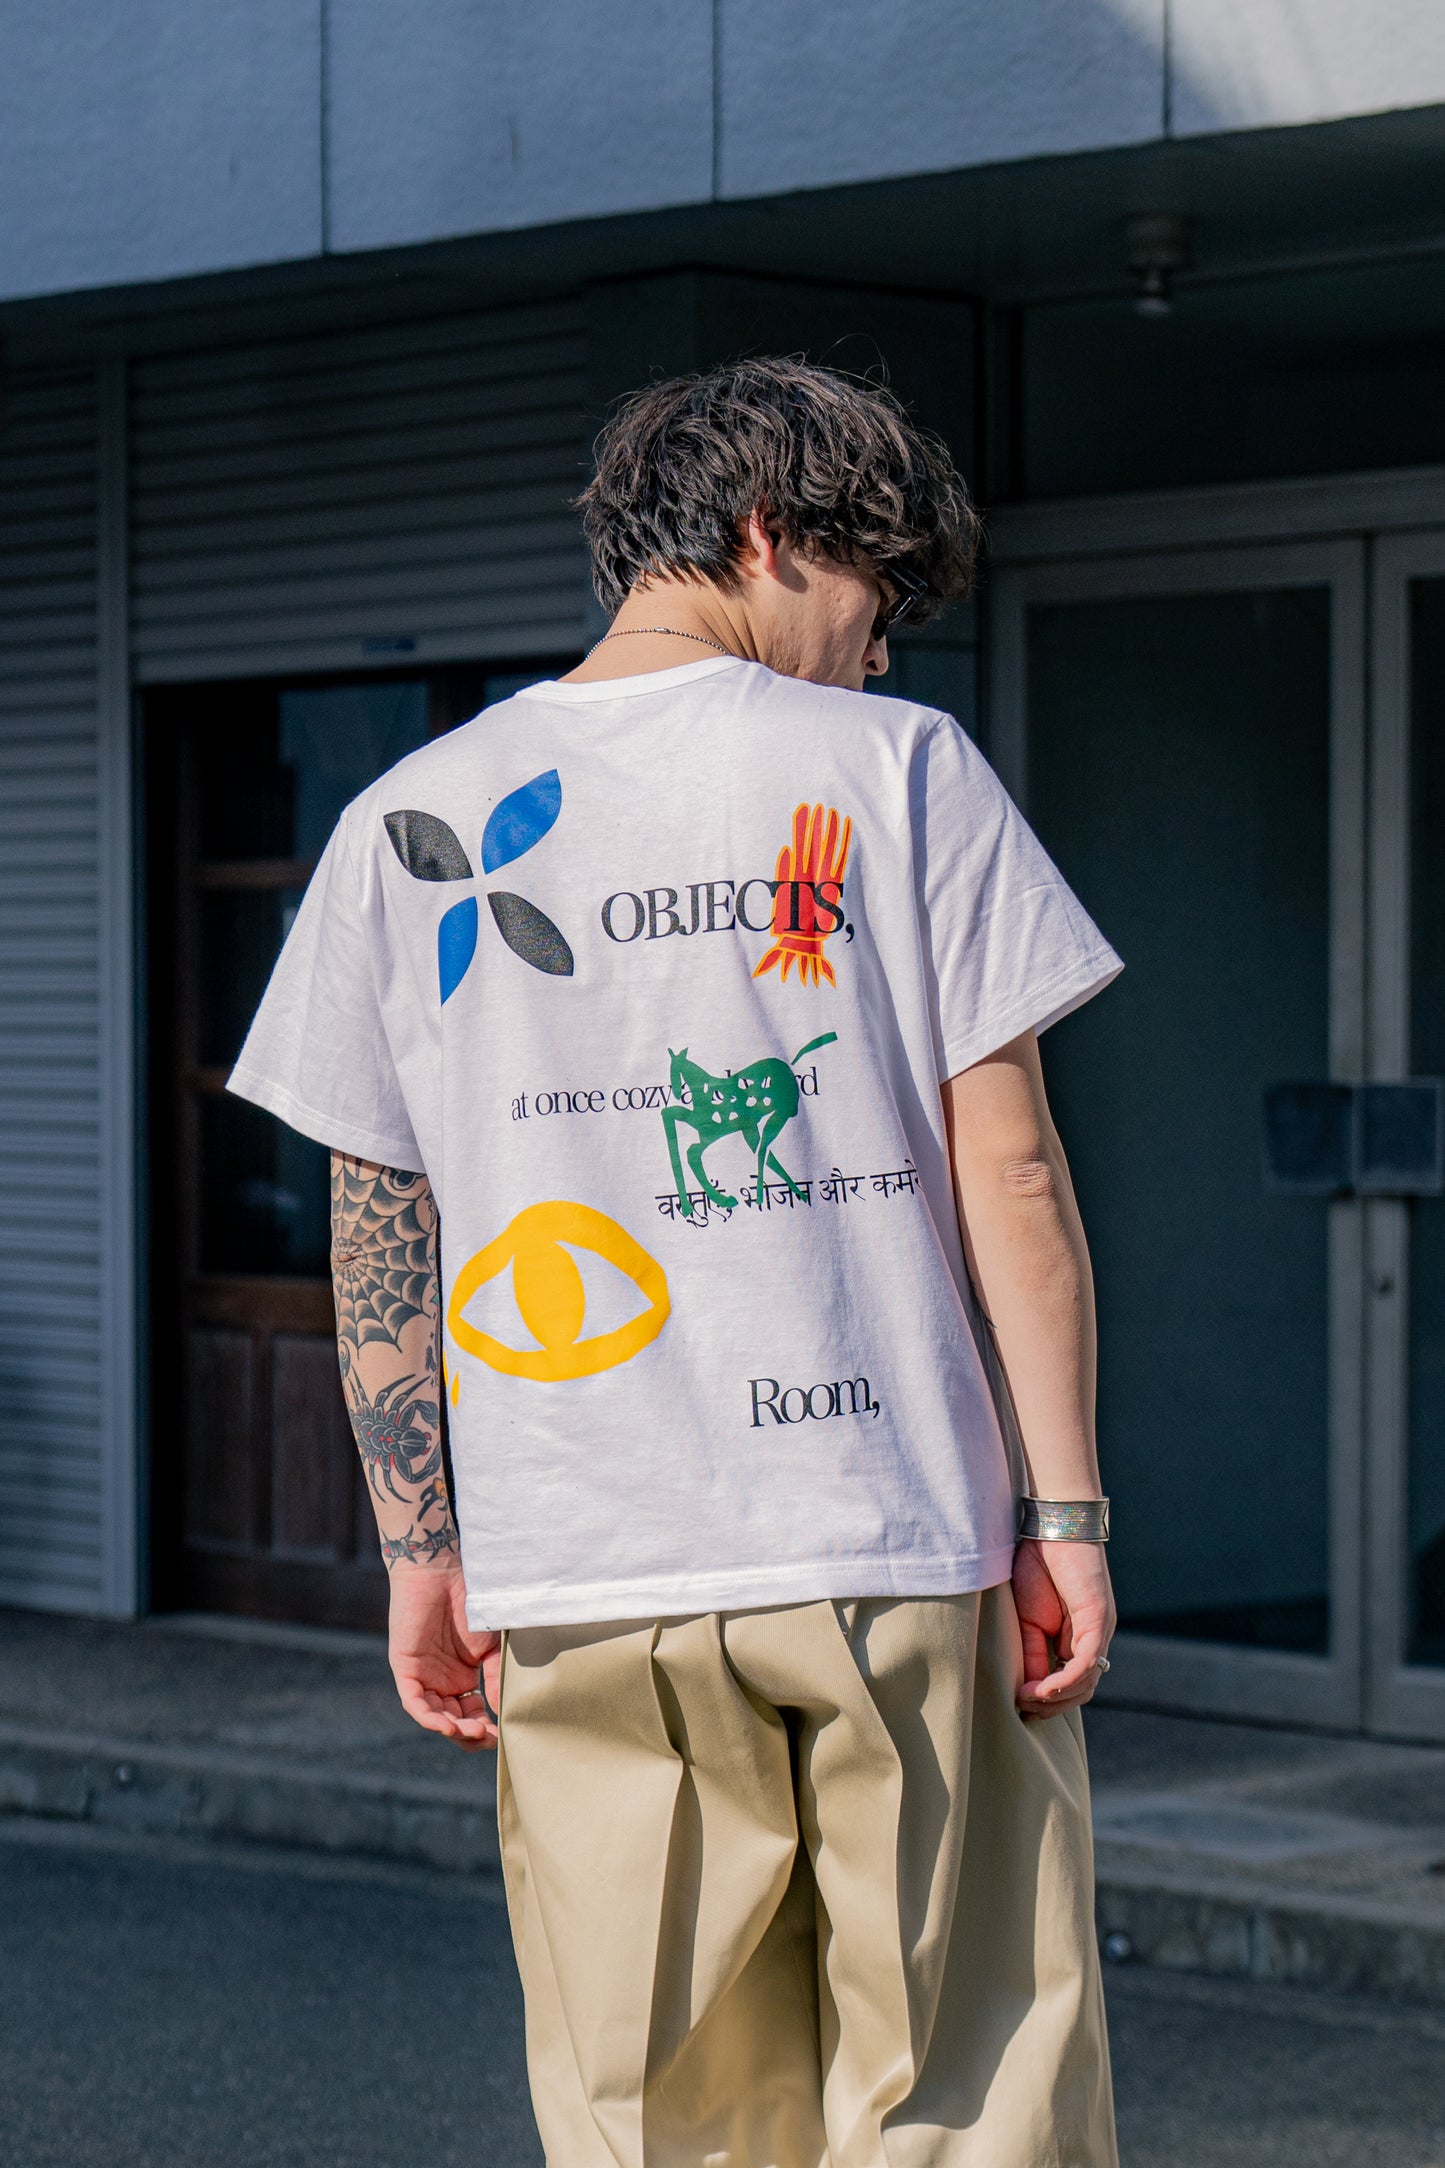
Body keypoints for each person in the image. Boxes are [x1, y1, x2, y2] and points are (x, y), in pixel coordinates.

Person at [230, 357, 1123, 2166]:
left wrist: (420, 1547)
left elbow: (378, 1216)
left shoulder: (408, 819)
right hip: (890, 1541)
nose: (879, 653)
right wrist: (1067, 1516)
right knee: (961, 2098)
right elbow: (1012, 1172)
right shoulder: (901, 772)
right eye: (873, 596)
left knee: (661, 2119)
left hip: (581, 1556)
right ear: (767, 536)